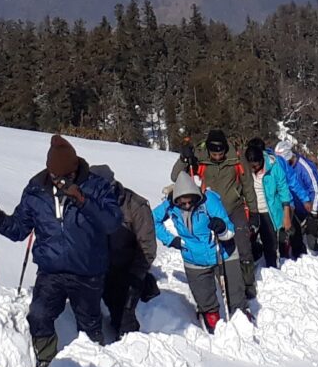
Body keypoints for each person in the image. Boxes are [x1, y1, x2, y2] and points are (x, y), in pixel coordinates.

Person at [0, 136, 126, 367]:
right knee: (38, 316)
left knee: (89, 323)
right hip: (51, 270)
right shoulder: (36, 190)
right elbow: (20, 229)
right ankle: (46, 361)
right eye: (55, 176)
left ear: (75, 170)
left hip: (88, 270)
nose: (60, 182)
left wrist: (83, 201)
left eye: (66, 177)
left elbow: (112, 222)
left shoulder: (96, 186)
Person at [155, 177, 240, 330]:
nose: (187, 206)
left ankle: (242, 322)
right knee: (205, 299)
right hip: (193, 258)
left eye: (191, 201)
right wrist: (170, 240)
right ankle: (212, 321)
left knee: (235, 296)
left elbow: (229, 230)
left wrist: (221, 228)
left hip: (222, 253)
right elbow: (152, 219)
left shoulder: (209, 200)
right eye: (183, 203)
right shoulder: (170, 205)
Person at [189, 131, 259, 311]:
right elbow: (177, 176)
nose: (218, 157)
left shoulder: (236, 158)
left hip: (234, 208)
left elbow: (248, 186)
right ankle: (223, 281)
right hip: (211, 210)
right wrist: (183, 158)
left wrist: (253, 211)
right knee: (215, 248)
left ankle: (248, 283)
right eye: (214, 154)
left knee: (242, 244)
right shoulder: (200, 157)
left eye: (220, 153)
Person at [102, 165, 163, 340]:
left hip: (129, 267)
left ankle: (131, 341)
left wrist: (136, 276)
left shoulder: (134, 205)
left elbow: (147, 247)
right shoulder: (91, 203)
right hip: (103, 267)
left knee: (124, 312)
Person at [243, 136, 288, 272]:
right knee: (248, 241)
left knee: (270, 243)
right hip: (252, 211)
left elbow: (283, 189)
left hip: (269, 212)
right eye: (251, 167)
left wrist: (286, 212)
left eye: (256, 166)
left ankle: (272, 269)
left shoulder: (273, 167)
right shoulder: (245, 169)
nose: (254, 169)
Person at [279, 143, 318, 257]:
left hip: (313, 207)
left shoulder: (304, 167)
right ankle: (299, 257)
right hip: (296, 208)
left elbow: (316, 190)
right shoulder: (282, 169)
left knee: (313, 244)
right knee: (294, 238)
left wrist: (313, 213)